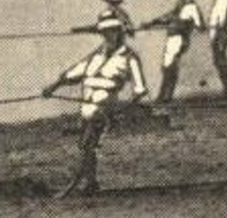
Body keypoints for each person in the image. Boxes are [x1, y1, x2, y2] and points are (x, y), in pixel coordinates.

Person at [41, 15, 149, 197]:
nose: (108, 36)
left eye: (112, 32)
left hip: (104, 105)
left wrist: (125, 110)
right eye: (105, 33)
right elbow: (73, 73)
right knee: (86, 145)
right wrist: (53, 87)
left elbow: (140, 89)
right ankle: (91, 183)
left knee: (87, 143)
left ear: (119, 33)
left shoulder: (129, 57)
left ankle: (74, 185)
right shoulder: (96, 55)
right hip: (86, 104)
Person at [142, 0, 203, 103]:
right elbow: (166, 17)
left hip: (180, 38)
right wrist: (151, 23)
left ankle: (165, 96)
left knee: (170, 66)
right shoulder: (177, 7)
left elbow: (200, 25)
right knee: (166, 67)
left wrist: (187, 25)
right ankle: (164, 95)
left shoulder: (191, 7)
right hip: (172, 39)